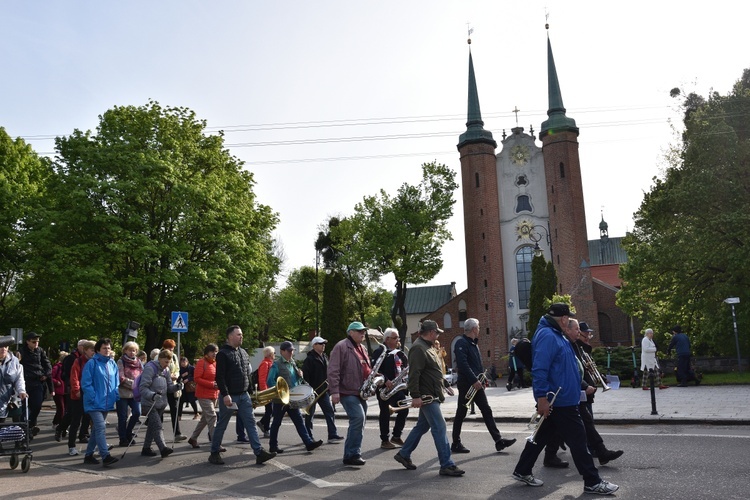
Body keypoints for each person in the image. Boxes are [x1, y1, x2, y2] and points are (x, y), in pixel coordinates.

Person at [511, 303, 619, 495]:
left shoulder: (556, 334)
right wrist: (541, 398)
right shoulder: (548, 335)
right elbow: (539, 369)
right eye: (568, 318)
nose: (569, 321)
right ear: (562, 319)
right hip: (559, 400)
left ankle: (522, 470)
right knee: (579, 440)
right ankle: (592, 481)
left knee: (540, 436)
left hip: (562, 398)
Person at [543, 319, 624, 468]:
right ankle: (590, 465)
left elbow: (580, 367)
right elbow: (567, 371)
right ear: (567, 330)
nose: (579, 333)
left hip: (571, 392)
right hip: (565, 392)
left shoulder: (574, 345)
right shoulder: (562, 344)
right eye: (577, 330)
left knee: (579, 423)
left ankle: (600, 453)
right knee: (558, 427)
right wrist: (584, 385)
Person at [393, 320, 465, 477]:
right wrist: (416, 396)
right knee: (440, 427)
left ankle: (404, 454)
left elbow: (434, 369)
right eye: (437, 332)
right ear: (432, 332)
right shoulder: (418, 348)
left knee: (422, 426)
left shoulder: (428, 347)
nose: (438, 335)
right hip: (427, 396)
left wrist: (445, 383)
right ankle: (447, 464)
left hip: (432, 393)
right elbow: (414, 374)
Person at [209, 325, 275, 465]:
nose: (241, 336)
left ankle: (259, 452)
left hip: (244, 395)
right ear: (230, 337)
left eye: (241, 334)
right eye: (238, 334)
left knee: (250, 422)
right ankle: (214, 452)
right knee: (222, 424)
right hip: (230, 396)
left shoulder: (244, 352)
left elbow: (247, 374)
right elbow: (220, 377)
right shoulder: (223, 354)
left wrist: (252, 393)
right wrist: (225, 395)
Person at [451, 318, 516, 454]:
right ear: (474, 329)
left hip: (476, 384)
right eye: (479, 327)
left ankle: (498, 441)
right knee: (461, 413)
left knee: (486, 410)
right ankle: (455, 443)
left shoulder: (474, 344)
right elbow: (463, 365)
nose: (479, 329)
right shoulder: (461, 343)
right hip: (467, 384)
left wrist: (482, 379)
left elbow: (476, 365)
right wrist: (475, 380)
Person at [266, 341, 323, 453]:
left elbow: (296, 381)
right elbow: (270, 381)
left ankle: (308, 443)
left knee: (299, 421)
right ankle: (273, 446)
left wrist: (300, 377)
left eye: (292, 351)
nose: (291, 353)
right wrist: (279, 392)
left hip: (292, 399)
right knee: (277, 423)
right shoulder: (276, 364)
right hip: (280, 400)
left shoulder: (292, 363)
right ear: (282, 351)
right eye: (289, 351)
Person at [328, 321, 371, 466]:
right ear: (350, 332)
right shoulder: (341, 346)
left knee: (360, 421)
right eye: (359, 331)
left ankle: (350, 454)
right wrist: (335, 392)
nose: (362, 333)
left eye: (363, 331)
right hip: (347, 391)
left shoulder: (362, 348)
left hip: (361, 391)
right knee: (358, 418)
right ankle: (353, 454)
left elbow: (367, 369)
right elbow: (333, 370)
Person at [80, 338, 120, 467]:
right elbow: (86, 383)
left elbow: (116, 381)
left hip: (106, 402)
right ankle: (105, 455)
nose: (107, 350)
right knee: (101, 427)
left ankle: (88, 455)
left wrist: (115, 394)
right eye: (104, 348)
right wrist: (92, 397)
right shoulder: (92, 363)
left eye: (108, 348)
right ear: (98, 350)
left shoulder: (112, 363)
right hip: (94, 403)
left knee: (97, 429)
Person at [139, 349, 182, 458]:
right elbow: (143, 388)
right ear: (160, 359)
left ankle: (146, 448)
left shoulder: (166, 370)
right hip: (149, 403)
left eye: (169, 362)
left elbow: (168, 387)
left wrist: (177, 387)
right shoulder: (150, 368)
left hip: (161, 403)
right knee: (158, 426)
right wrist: (152, 395)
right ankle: (163, 448)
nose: (167, 365)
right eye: (166, 362)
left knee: (152, 426)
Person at [372, 328, 409, 449]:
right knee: (385, 413)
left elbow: (402, 366)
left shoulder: (398, 352)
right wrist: (386, 379)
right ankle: (385, 440)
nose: (398, 339)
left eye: (398, 337)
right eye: (395, 337)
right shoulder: (379, 351)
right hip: (385, 388)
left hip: (398, 387)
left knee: (404, 409)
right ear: (387, 339)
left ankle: (396, 436)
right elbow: (374, 369)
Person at [302, 337, 342, 443]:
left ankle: (332, 435)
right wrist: (309, 390)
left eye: (324, 344)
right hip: (312, 392)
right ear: (314, 345)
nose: (323, 345)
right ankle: (309, 437)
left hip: (323, 391)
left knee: (329, 411)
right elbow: (305, 377)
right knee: (309, 415)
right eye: (321, 344)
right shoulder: (309, 359)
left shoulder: (324, 356)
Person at [188, 344, 225, 450]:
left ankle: (193, 438)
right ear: (207, 352)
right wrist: (212, 384)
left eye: (216, 351)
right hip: (203, 394)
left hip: (214, 394)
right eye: (212, 351)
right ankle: (216, 443)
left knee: (205, 419)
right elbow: (197, 378)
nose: (215, 353)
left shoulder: (216, 363)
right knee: (213, 417)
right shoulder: (201, 362)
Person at [19, 331, 53, 438]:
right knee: (25, 408)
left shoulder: (40, 351)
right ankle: (23, 430)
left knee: (37, 405)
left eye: (37, 342)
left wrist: (46, 375)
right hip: (25, 383)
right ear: (27, 342)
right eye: (33, 342)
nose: (36, 344)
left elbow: (47, 365)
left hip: (38, 382)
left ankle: (31, 425)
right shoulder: (22, 352)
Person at [67, 340, 95, 455]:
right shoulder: (78, 361)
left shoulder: (95, 362)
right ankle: (71, 446)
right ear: (85, 350)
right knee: (76, 421)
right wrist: (77, 390)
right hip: (79, 396)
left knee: (93, 420)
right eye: (92, 350)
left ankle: (97, 443)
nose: (94, 352)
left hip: (91, 395)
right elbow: (74, 378)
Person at [116, 341, 143, 447]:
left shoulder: (139, 362)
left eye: (134, 350)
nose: (132, 352)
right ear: (125, 350)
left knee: (137, 412)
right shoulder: (121, 361)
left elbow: (142, 374)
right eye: (130, 350)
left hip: (135, 393)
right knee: (122, 417)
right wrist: (135, 384)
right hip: (123, 392)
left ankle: (128, 432)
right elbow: (120, 377)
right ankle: (122, 438)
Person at [161, 339, 186, 442]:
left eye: (172, 348)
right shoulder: (159, 354)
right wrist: (169, 376)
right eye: (169, 348)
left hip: (172, 385)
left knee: (174, 409)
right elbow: (158, 368)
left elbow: (177, 369)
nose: (171, 350)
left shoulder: (174, 356)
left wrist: (175, 375)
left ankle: (177, 433)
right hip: (162, 385)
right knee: (160, 409)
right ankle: (158, 432)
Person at [0, 336, 27, 423]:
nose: (3, 349)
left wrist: (21, 391)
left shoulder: (14, 361)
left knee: (16, 423)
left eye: (6, 346)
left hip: (8, 399)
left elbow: (19, 378)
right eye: (1, 346)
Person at [256, 346, 275, 439]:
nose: (275, 355)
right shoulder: (265, 364)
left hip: (271, 391)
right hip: (268, 391)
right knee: (270, 410)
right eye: (274, 353)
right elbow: (262, 379)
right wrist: (265, 392)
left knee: (271, 410)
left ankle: (263, 423)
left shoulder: (269, 363)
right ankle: (266, 429)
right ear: (270, 354)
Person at [51, 351, 68, 428]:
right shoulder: (57, 367)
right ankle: (59, 424)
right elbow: (51, 377)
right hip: (58, 390)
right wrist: (56, 382)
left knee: (63, 409)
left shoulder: (65, 367)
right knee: (61, 408)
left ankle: (56, 422)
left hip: (64, 390)